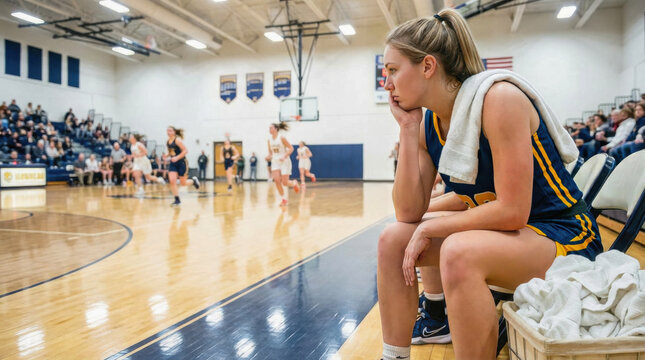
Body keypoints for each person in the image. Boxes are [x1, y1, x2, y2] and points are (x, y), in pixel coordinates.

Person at [377, 10, 602, 360]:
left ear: (427, 66)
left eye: (392, 70)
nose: (386, 83)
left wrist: (434, 229)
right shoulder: (428, 124)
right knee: (392, 239)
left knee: (457, 250)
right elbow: (407, 211)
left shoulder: (499, 100)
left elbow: (513, 211)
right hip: (515, 238)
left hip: (564, 236)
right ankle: (393, 356)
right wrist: (407, 129)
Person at [267, 122, 300, 206]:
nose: (269, 129)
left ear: (276, 129)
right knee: (277, 180)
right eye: (269, 128)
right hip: (275, 161)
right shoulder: (269, 140)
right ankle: (284, 199)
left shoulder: (281, 138)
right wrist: (268, 156)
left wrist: (284, 156)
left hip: (284, 161)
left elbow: (291, 148)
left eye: (271, 128)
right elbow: (271, 153)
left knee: (284, 182)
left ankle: (293, 183)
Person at [166, 126, 200, 206]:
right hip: (173, 163)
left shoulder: (177, 140)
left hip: (181, 162)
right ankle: (177, 200)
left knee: (183, 183)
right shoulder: (168, 141)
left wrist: (177, 157)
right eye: (167, 131)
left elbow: (185, 151)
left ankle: (193, 181)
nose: (168, 132)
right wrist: (166, 155)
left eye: (170, 130)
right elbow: (171, 151)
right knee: (172, 180)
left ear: (174, 132)